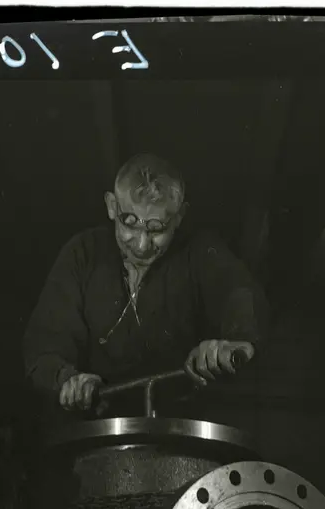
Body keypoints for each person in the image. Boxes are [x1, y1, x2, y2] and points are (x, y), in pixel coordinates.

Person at [24, 153, 268, 412]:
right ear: (111, 206)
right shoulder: (82, 254)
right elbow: (44, 343)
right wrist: (67, 379)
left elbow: (240, 293)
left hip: (180, 423)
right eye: (129, 224)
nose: (141, 245)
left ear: (179, 216)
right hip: (96, 425)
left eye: (157, 229)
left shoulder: (200, 253)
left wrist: (236, 342)